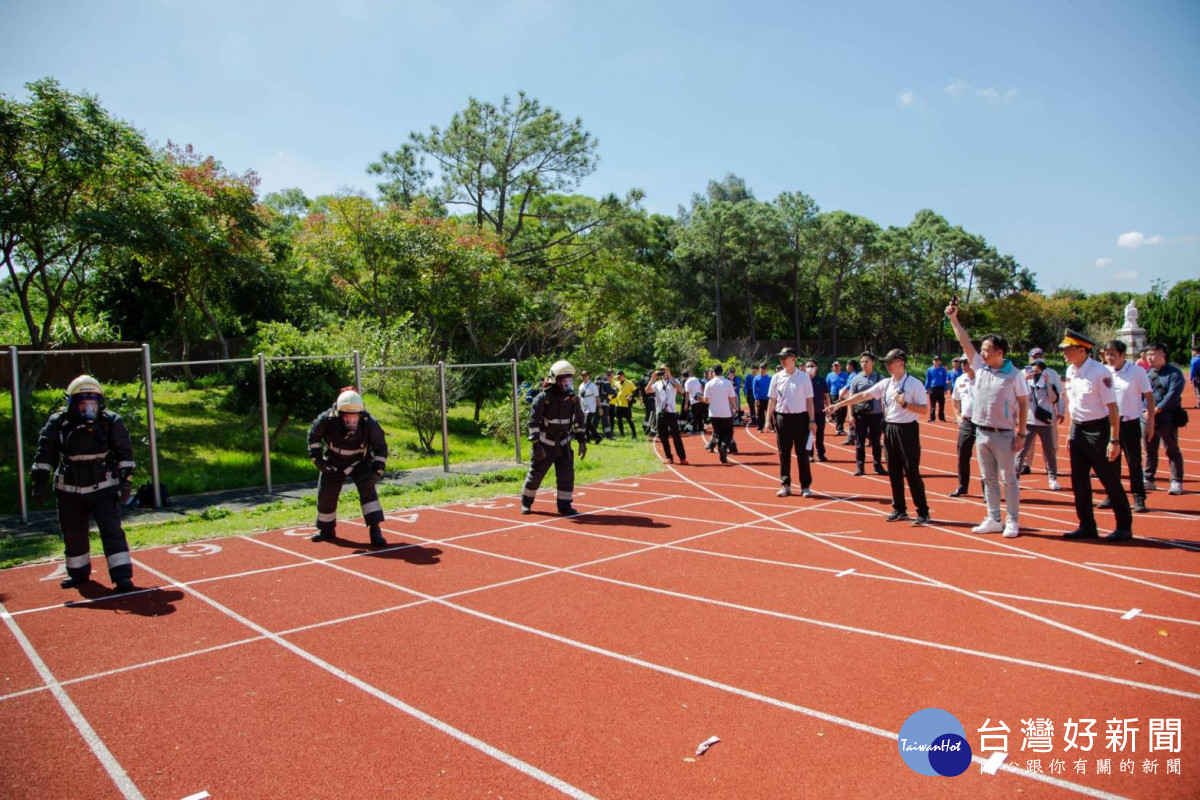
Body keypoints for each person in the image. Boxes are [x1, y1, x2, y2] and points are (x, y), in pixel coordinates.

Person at [31, 375, 137, 592]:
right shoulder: (58, 423)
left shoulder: (111, 421)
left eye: (93, 403)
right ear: (71, 403)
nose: (88, 408)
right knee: (73, 532)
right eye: (82, 403)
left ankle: (122, 576)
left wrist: (126, 482)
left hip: (103, 486)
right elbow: (45, 453)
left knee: (112, 530)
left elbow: (124, 452)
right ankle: (78, 573)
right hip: (69, 488)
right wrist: (39, 483)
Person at [946, 302, 1029, 538]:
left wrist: (1021, 433)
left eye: (987, 349)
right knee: (988, 479)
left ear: (1000, 352)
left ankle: (1012, 520)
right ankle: (994, 518)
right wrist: (953, 318)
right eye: (981, 349)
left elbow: (1024, 404)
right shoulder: (980, 368)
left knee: (1009, 479)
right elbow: (964, 341)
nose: (981, 353)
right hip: (980, 431)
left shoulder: (1015, 375)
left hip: (1004, 433)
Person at [828, 349, 931, 525]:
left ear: (901, 363)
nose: (887, 365)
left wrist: (905, 404)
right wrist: (840, 405)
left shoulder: (915, 384)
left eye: (890, 362)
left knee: (911, 471)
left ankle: (923, 511)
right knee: (893, 471)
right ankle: (899, 508)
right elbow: (863, 395)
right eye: (886, 363)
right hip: (889, 428)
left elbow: (924, 410)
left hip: (907, 430)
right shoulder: (886, 383)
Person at [1059, 329, 1133, 540]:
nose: (1064, 353)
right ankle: (1087, 525)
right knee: (1079, 480)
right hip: (1078, 430)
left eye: (1068, 349)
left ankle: (1124, 526)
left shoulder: (1100, 373)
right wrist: (1070, 433)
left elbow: (1112, 408)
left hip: (1098, 430)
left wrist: (1114, 439)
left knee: (1108, 479)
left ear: (1082, 350)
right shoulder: (1071, 370)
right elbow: (1075, 404)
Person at [308, 388, 389, 547]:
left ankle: (375, 528)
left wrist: (377, 470)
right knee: (326, 495)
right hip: (333, 462)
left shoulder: (369, 423)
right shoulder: (326, 419)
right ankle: (326, 530)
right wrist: (318, 460)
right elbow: (313, 436)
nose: (351, 420)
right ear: (339, 413)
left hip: (359, 461)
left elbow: (380, 446)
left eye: (355, 415)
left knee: (368, 491)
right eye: (347, 416)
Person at [522, 360, 587, 515]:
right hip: (545, 443)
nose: (568, 384)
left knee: (567, 475)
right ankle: (526, 502)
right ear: (556, 381)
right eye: (565, 380)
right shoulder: (542, 398)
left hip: (564, 442)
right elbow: (533, 422)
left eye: (570, 380)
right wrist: (536, 445)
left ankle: (564, 505)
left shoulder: (573, 399)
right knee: (536, 474)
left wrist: (582, 441)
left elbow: (579, 420)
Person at [1099, 340, 1154, 513]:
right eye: (1107, 354)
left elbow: (1149, 397)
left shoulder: (1137, 372)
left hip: (1130, 423)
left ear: (1123, 355)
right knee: (1111, 462)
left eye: (1113, 354)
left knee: (1134, 462)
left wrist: (1150, 422)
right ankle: (1113, 495)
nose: (1109, 358)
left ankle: (1139, 497)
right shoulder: (1104, 372)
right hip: (1109, 424)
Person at [765, 347, 817, 498]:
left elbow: (809, 401)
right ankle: (785, 484)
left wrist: (812, 420)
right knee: (784, 453)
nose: (781, 360)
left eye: (785, 357)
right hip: (782, 418)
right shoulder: (776, 377)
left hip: (801, 418)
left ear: (793, 358)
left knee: (802, 453)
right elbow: (772, 399)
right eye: (780, 357)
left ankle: (805, 486)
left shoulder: (804, 377)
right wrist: (768, 420)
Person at [1143, 342, 1186, 496]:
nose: (1149, 358)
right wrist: (1146, 411)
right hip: (1147, 417)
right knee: (1149, 449)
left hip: (1166, 417)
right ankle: (1148, 478)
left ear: (1162, 354)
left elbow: (1173, 395)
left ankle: (1176, 481)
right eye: (1147, 355)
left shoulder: (1174, 374)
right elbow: (1141, 395)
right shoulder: (1146, 374)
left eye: (1152, 354)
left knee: (1171, 449)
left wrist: (1156, 409)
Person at [1016, 359, 1063, 492]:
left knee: (1050, 452)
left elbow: (1053, 399)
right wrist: (1024, 380)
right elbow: (1018, 396)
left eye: (1038, 371)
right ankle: (1015, 478)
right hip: (1029, 422)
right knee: (1021, 452)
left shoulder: (1048, 383)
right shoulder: (1026, 383)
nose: (1035, 374)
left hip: (1045, 423)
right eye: (1032, 371)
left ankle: (1052, 478)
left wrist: (1047, 383)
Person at [846, 351, 886, 476]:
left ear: (873, 362)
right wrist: (850, 415)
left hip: (876, 415)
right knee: (859, 442)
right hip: (860, 415)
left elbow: (885, 398)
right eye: (862, 362)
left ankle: (877, 466)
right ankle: (860, 466)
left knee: (876, 442)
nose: (864, 364)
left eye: (866, 361)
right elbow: (850, 399)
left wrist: (886, 415)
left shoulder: (880, 378)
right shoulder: (856, 379)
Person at [949, 356, 976, 497]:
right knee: (963, 454)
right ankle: (962, 486)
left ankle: (987, 491)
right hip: (966, 421)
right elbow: (955, 399)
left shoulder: (983, 378)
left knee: (986, 457)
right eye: (961, 363)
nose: (962, 365)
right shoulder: (960, 379)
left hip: (983, 422)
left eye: (965, 362)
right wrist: (957, 415)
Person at [651, 366, 688, 464]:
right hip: (660, 412)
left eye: (665, 371)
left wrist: (670, 376)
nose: (663, 373)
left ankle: (682, 458)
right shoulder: (657, 383)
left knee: (676, 436)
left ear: (669, 371)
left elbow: (681, 390)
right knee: (663, 437)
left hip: (671, 413)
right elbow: (647, 390)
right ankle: (669, 457)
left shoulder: (673, 381)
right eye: (661, 371)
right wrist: (652, 378)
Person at [703, 364, 739, 462]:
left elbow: (706, 400)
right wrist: (736, 408)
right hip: (725, 413)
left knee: (718, 433)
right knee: (728, 433)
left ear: (713, 372)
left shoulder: (709, 384)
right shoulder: (727, 383)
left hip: (713, 413)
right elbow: (732, 397)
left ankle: (722, 454)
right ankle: (723, 447)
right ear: (722, 372)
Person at [805, 359, 829, 462]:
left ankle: (821, 453)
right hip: (806, 413)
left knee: (820, 434)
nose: (810, 368)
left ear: (816, 367)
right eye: (808, 366)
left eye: (812, 366)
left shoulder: (821, 380)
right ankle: (809, 454)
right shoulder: (803, 380)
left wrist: (828, 407)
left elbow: (826, 396)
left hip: (820, 411)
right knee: (808, 434)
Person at [610, 370, 639, 440]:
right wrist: (611, 397)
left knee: (629, 420)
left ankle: (634, 434)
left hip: (626, 405)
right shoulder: (616, 383)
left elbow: (636, 391)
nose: (618, 378)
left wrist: (631, 397)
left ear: (623, 375)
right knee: (619, 420)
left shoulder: (629, 383)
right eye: (617, 377)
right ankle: (622, 434)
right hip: (618, 404)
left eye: (619, 376)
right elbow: (615, 393)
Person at [577, 370, 602, 444]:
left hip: (591, 406)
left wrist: (600, 407)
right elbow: (579, 397)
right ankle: (588, 438)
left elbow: (597, 397)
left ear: (588, 376)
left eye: (585, 375)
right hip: (583, 406)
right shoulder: (581, 385)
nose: (584, 377)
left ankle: (597, 436)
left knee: (587, 422)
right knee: (586, 423)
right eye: (582, 375)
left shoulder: (592, 385)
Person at [826, 361, 849, 436]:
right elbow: (827, 386)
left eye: (837, 366)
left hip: (844, 395)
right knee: (838, 412)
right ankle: (839, 429)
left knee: (844, 412)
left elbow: (848, 384)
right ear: (833, 367)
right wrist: (827, 396)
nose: (836, 367)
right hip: (834, 395)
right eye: (834, 366)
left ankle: (840, 426)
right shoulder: (830, 375)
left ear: (840, 366)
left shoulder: (845, 374)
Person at [924, 355, 948, 422]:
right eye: (935, 360)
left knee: (941, 403)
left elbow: (944, 379)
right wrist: (926, 388)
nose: (936, 362)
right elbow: (928, 379)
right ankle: (932, 417)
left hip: (940, 388)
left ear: (939, 362)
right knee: (933, 404)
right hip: (933, 388)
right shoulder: (930, 370)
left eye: (938, 360)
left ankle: (942, 418)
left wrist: (945, 389)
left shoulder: (943, 369)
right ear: (933, 361)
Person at [752, 363, 772, 431]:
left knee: (770, 413)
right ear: (759, 369)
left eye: (764, 368)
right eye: (761, 368)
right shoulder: (756, 378)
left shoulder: (769, 378)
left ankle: (771, 427)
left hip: (768, 399)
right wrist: (756, 398)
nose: (762, 370)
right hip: (760, 399)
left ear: (766, 369)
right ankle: (759, 427)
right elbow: (754, 389)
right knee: (760, 414)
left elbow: (772, 388)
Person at [597, 371, 616, 439]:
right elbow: (610, 391)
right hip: (604, 404)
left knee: (595, 419)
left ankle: (593, 433)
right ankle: (609, 435)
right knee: (605, 420)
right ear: (609, 376)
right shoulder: (606, 382)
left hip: (597, 403)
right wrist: (615, 389)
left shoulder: (600, 382)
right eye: (612, 377)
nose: (612, 379)